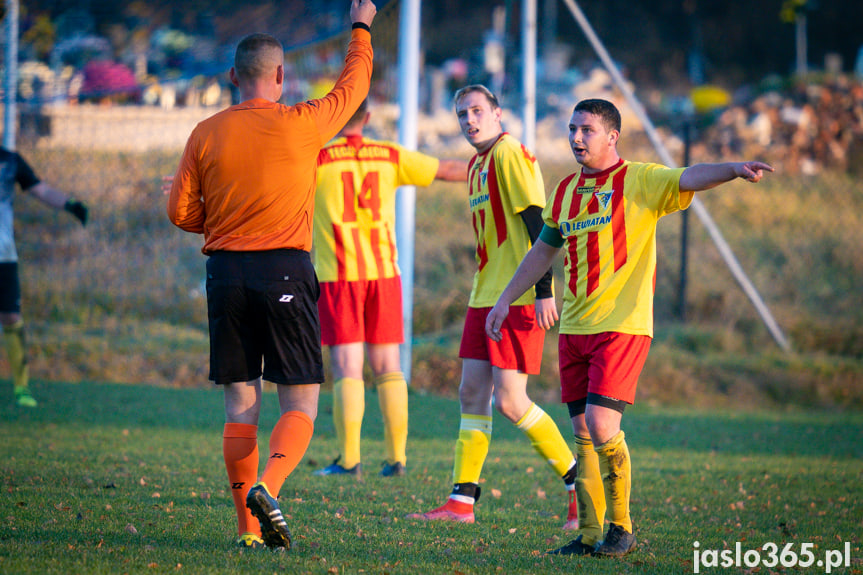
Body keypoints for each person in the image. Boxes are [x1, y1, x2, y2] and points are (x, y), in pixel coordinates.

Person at [485, 98, 774, 557]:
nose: (577, 138)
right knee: (582, 432)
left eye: (587, 130)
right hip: (575, 327)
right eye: (572, 129)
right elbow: (542, 252)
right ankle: (586, 534)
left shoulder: (639, 179)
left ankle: (621, 527)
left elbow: (689, 175)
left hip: (623, 325)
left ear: (612, 136)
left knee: (601, 424)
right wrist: (505, 299)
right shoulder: (563, 193)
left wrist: (732, 169)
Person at [166, 0, 376, 550]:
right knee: (301, 402)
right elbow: (352, 88)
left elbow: (180, 214)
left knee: (241, 404)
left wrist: (221, 220)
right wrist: (361, 27)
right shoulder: (304, 123)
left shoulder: (205, 132)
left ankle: (247, 532)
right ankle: (270, 484)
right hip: (284, 268)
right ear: (281, 76)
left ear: (233, 77)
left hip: (225, 273)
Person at [407, 85, 579, 530]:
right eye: (462, 113)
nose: (470, 120)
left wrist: (544, 289)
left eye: (478, 111)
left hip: (517, 296)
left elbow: (539, 223)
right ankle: (461, 503)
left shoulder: (508, 153)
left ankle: (578, 482)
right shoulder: (475, 164)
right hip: (483, 295)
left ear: (498, 113)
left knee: (511, 401)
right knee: (471, 393)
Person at [312, 99, 468, 478]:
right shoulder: (389, 155)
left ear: (332, 116)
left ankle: (350, 461)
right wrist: (499, 167)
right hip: (384, 274)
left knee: (348, 367)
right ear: (367, 118)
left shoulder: (316, 159)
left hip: (338, 275)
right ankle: (397, 459)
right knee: (389, 367)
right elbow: (447, 169)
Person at [0, 147, 88, 408]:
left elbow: (40, 189)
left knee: (12, 317)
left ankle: (21, 386)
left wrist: (71, 205)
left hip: (4, 255)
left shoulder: (10, 160)